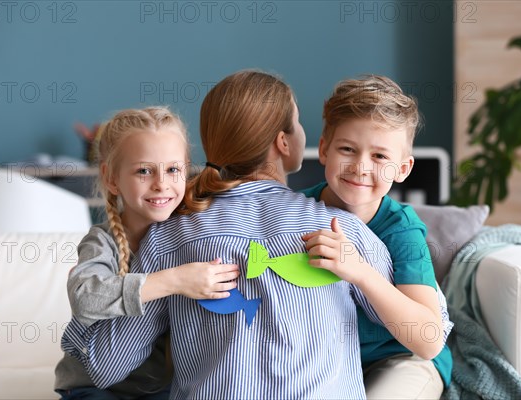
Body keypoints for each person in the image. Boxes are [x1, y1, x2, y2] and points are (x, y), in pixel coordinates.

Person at [60, 69, 398, 399]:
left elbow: (106, 366)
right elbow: (420, 333)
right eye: (297, 124)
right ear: (283, 142)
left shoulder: (166, 239)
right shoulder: (343, 230)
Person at [54, 107, 240, 399]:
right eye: (144, 170)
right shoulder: (102, 242)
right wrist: (176, 280)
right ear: (112, 178)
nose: (161, 183)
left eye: (173, 169)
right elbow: (85, 297)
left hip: (159, 388)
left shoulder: (190, 237)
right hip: (92, 385)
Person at [301, 75, 453, 399]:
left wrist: (360, 271)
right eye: (347, 149)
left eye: (380, 156)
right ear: (325, 149)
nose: (360, 167)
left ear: (403, 167)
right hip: (328, 362)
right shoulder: (296, 212)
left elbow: (427, 340)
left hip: (401, 358)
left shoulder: (402, 231)